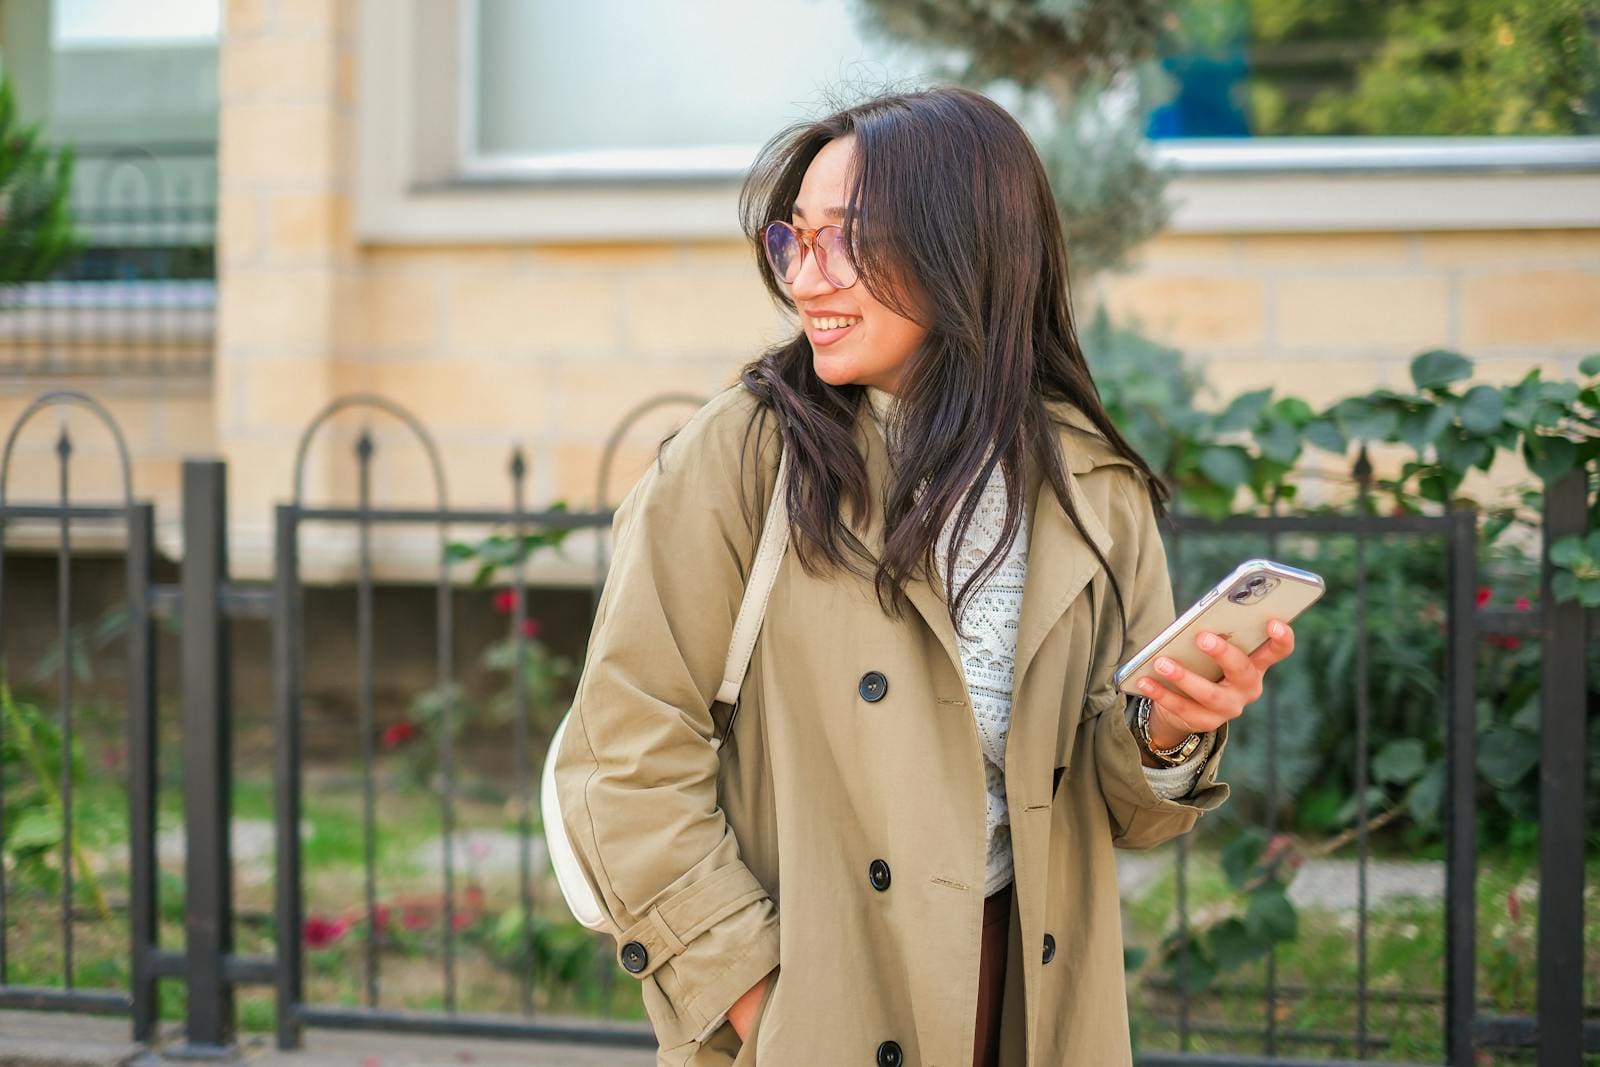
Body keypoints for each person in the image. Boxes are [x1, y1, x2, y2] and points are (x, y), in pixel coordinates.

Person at [552, 85, 1298, 1067]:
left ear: (963, 246)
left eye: (843, 240)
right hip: (826, 1000)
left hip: (1030, 1000)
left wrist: (1169, 728)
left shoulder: (1091, 484)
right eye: (793, 239)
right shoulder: (742, 456)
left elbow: (1122, 810)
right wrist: (758, 998)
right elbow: (624, 755)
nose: (804, 278)